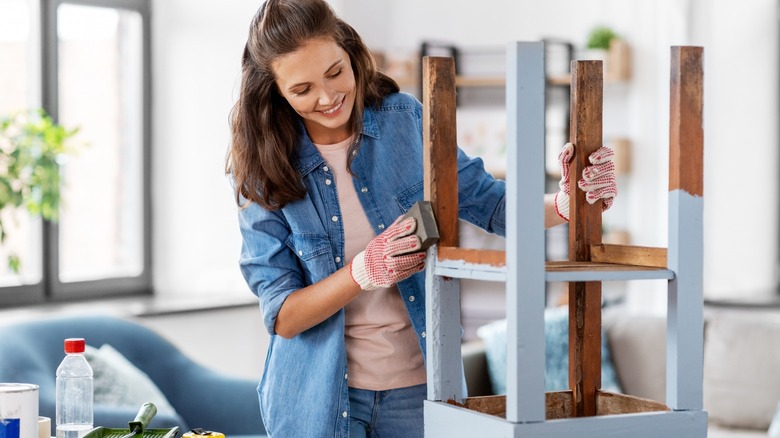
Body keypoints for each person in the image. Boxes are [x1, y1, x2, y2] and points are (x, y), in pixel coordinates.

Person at [226, 1, 618, 437]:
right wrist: (364, 270)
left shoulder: (404, 121)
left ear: (350, 52)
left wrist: (567, 203)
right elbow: (282, 314)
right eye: (302, 89)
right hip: (317, 401)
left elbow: (491, 204)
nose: (327, 96)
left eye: (335, 72)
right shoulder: (262, 171)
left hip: (420, 392)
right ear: (276, 91)